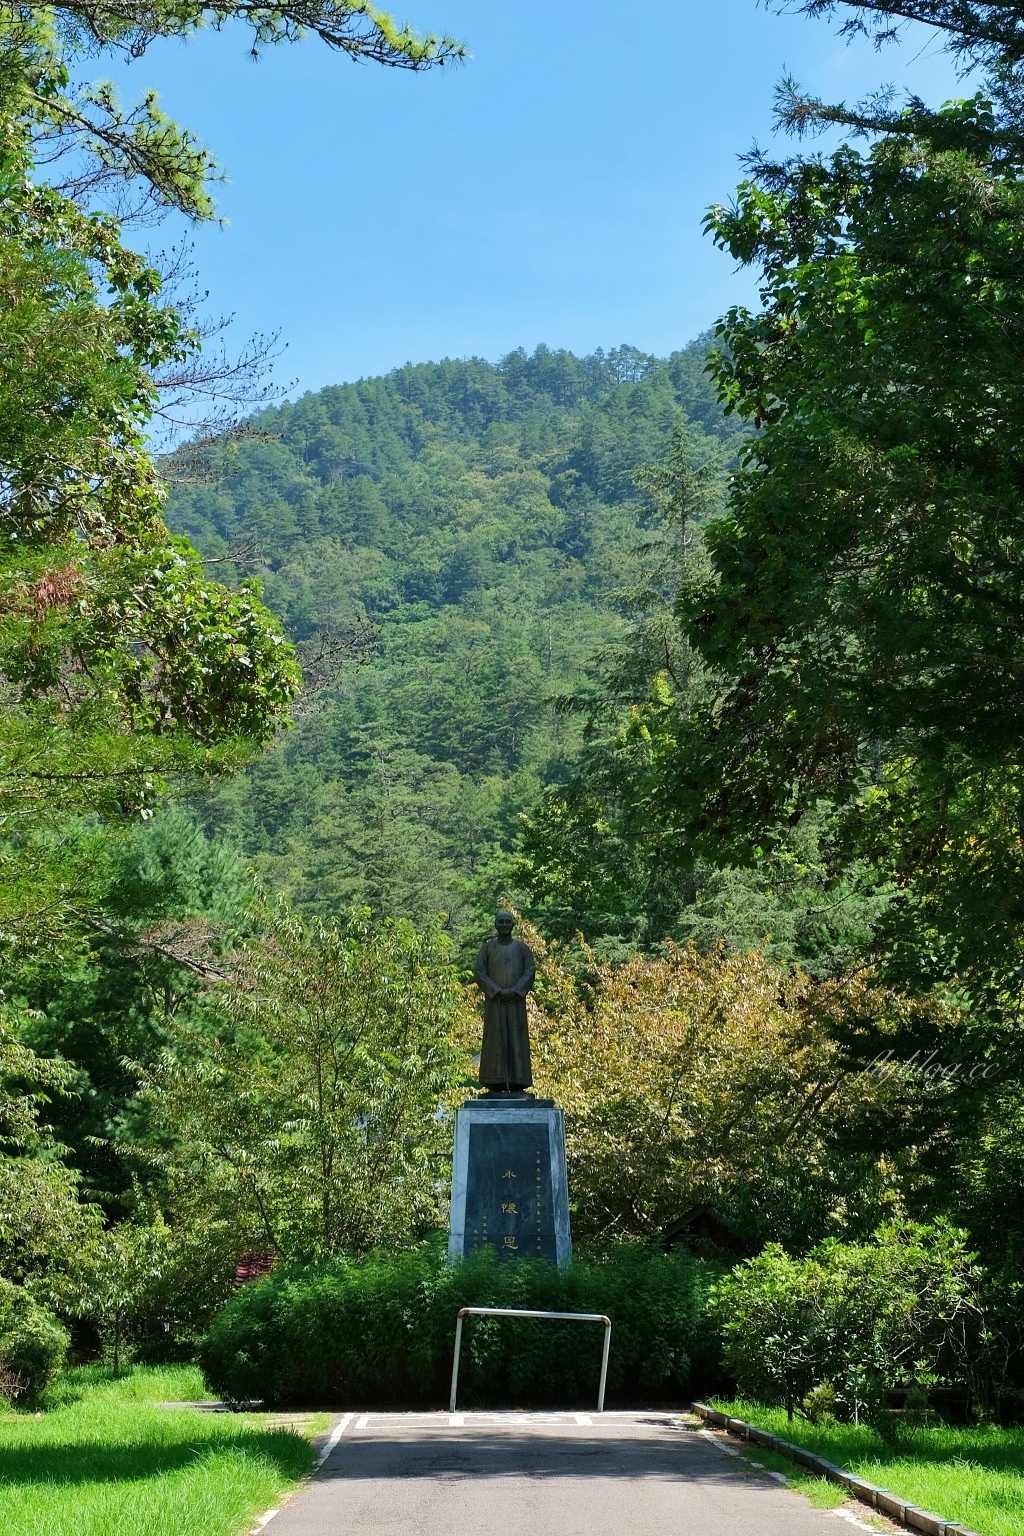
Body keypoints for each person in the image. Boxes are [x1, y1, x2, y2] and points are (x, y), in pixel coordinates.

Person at [473, 910, 536, 1093]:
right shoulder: (487, 948)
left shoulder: (522, 949)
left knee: (517, 1040)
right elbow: (480, 972)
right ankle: (494, 1081)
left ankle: (518, 1081)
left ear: (513, 924)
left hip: (516, 1003)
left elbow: (530, 970)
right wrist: (497, 991)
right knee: (494, 1039)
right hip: (495, 1004)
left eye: (507, 922)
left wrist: (515, 991)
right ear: (495, 924)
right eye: (500, 922)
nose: (504, 925)